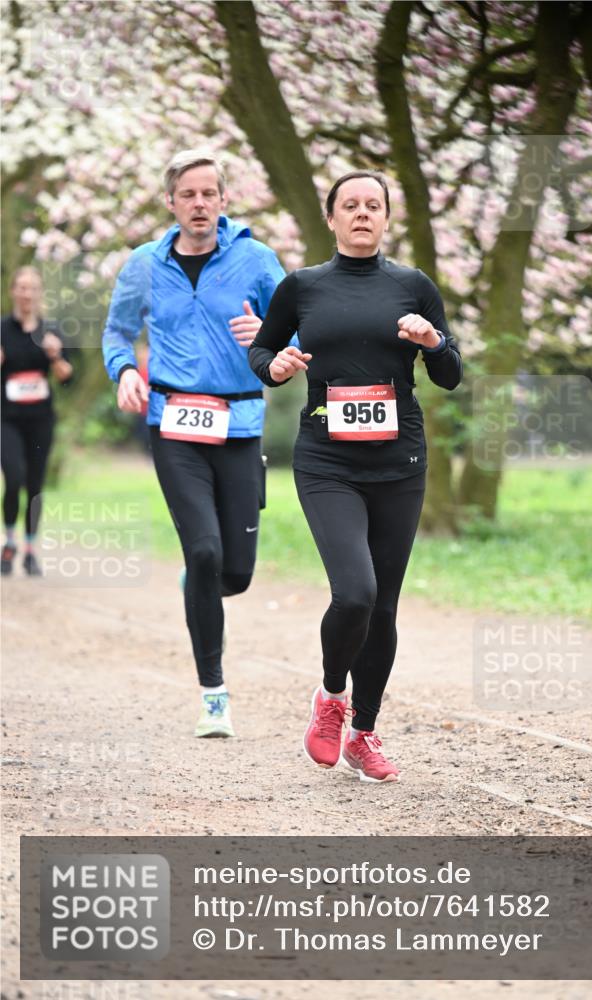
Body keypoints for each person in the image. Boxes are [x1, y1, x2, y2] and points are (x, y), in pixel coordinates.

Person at [249, 170, 462, 783]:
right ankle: (329, 698)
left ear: (387, 218)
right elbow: (262, 353)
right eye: (351, 205)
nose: (363, 213)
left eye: (374, 205)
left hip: (400, 462)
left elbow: (449, 373)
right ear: (332, 218)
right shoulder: (303, 287)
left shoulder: (413, 285)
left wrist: (433, 340)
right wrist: (280, 363)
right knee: (355, 594)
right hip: (327, 461)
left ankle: (363, 733)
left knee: (385, 608)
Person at [102, 148, 285, 739]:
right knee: (202, 552)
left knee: (235, 574)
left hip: (240, 426)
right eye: (189, 194)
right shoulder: (144, 264)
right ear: (171, 202)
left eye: (210, 193)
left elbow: (301, 327)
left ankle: (200, 587)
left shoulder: (257, 260)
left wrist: (272, 335)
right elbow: (117, 329)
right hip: (173, 424)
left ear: (224, 200)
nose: (200, 203)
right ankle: (213, 694)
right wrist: (125, 371)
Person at [1, 267, 73, 577]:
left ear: (39, 293)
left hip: (41, 419)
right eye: (21, 287)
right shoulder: (2, 329)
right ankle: (9, 542)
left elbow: (67, 377)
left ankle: (30, 549)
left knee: (35, 484)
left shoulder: (51, 331)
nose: (26, 294)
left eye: (32, 288)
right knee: (14, 477)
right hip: (7, 418)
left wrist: (56, 357)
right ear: (12, 291)